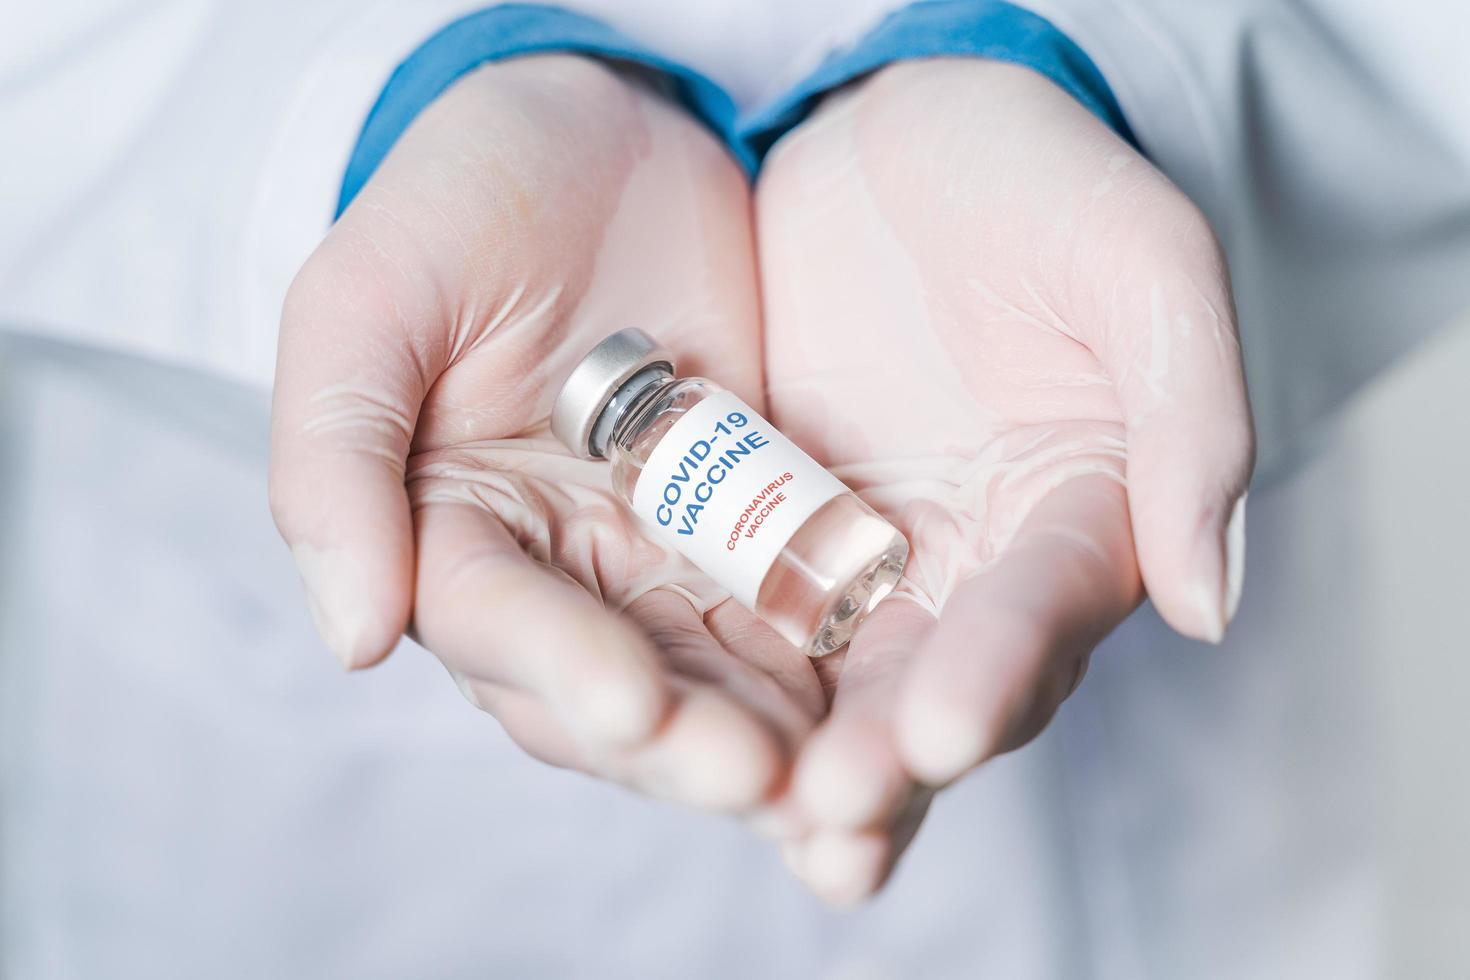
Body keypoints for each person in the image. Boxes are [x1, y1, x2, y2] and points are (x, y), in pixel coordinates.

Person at [4, 1, 1469, 975]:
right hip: (279, 772)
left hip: (1111, 706)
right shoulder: (635, 429)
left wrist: (1088, 67)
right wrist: (374, 119)